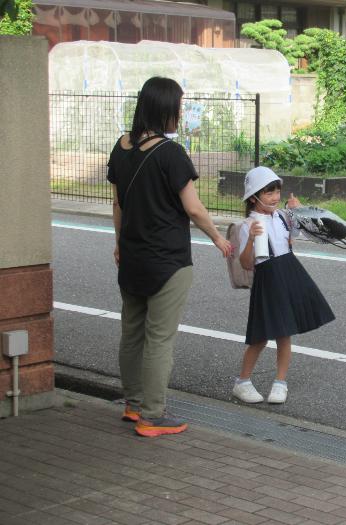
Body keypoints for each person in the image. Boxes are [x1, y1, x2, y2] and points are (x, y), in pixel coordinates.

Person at [108, 77, 232, 437]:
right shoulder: (170, 153)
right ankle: (152, 415)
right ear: (164, 108)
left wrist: (119, 242)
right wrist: (217, 238)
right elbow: (193, 208)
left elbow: (118, 204)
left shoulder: (121, 146)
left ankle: (132, 405)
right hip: (167, 260)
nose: (181, 113)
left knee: (131, 333)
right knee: (159, 339)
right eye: (178, 106)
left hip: (131, 255)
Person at [232, 166, 335, 405]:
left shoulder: (281, 216)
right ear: (253, 197)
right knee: (260, 336)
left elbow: (301, 234)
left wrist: (298, 212)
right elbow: (246, 264)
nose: (275, 196)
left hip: (289, 272)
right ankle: (242, 382)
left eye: (277, 191)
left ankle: (280, 382)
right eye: (269, 192)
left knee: (284, 332)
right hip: (268, 278)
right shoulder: (249, 225)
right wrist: (252, 241)